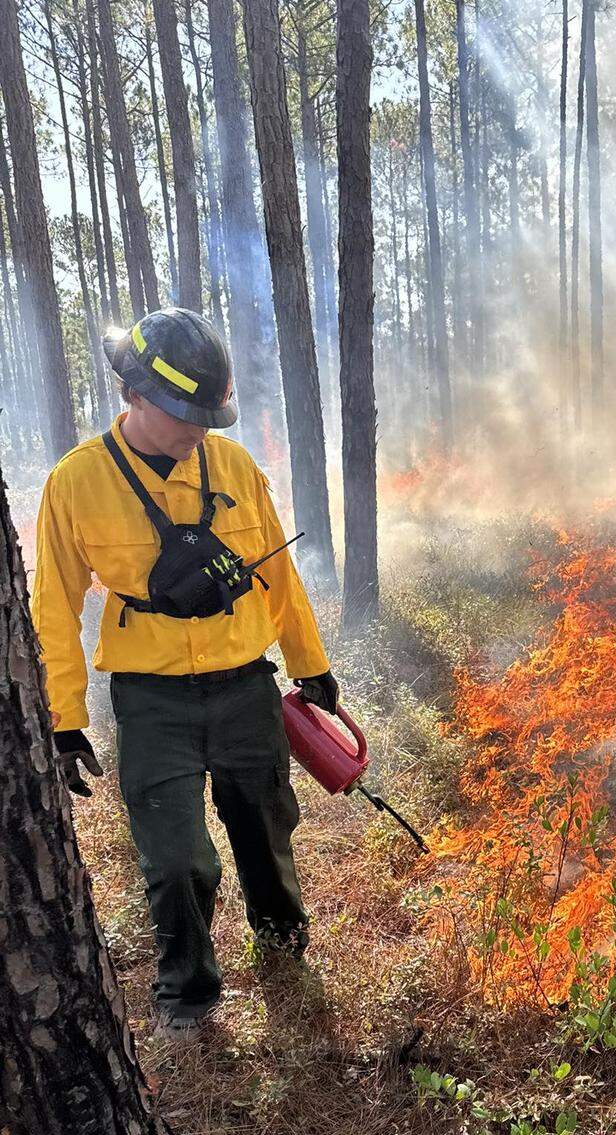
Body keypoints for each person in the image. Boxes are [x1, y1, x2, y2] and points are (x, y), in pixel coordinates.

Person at [31, 306, 340, 1041]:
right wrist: (62, 717)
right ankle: (190, 993)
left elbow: (281, 578)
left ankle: (282, 943)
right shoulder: (76, 483)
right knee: (178, 863)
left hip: (245, 687)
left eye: (207, 415)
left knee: (264, 827)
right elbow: (52, 608)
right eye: (181, 415)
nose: (196, 430)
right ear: (132, 396)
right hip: (152, 700)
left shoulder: (233, 468)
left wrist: (310, 665)